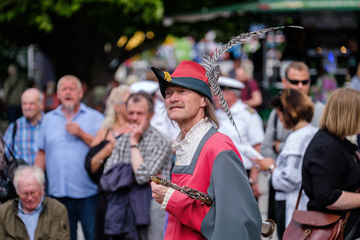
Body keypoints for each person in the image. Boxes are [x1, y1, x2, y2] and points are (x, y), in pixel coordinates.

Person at [150, 60, 262, 240]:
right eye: (169, 93)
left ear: (204, 100)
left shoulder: (218, 147)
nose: (172, 98)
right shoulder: (185, 145)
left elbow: (235, 225)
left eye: (182, 91)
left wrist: (173, 200)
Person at [34, 75, 104, 240]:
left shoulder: (96, 118)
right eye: (63, 89)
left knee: (94, 236)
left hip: (89, 192)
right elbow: (42, 153)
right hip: (58, 193)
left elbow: (105, 148)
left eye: (72, 88)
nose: (68, 92)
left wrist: (82, 134)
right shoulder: (47, 120)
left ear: (80, 93)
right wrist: (36, 182)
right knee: (63, 238)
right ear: (57, 94)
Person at [260, 61, 325, 224]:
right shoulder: (277, 113)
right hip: (282, 194)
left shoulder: (318, 112)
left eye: (305, 82)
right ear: (285, 82)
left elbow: (313, 151)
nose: (301, 86)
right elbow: (266, 148)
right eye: (295, 82)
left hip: (299, 198)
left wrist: (277, 153)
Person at [102, 91, 173, 240]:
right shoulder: (121, 140)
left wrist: (134, 143)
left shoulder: (162, 140)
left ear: (151, 114)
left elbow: (142, 176)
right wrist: (139, 172)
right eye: (131, 113)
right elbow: (109, 175)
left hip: (154, 201)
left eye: (139, 113)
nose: (134, 118)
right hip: (125, 201)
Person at [254, 89, 318, 239]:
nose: (280, 119)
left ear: (289, 112)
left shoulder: (296, 139)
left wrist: (270, 167)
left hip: (293, 208)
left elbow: (288, 179)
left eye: (280, 113)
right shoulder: (313, 132)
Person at [302, 88, 360, 239]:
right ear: (350, 115)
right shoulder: (327, 146)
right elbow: (328, 196)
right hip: (335, 230)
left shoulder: (337, 141)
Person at [88, 85, 132, 240]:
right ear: (116, 107)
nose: (132, 106)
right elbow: (90, 167)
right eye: (128, 102)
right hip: (107, 195)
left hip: (133, 194)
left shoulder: (139, 129)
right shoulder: (104, 132)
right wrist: (106, 151)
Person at [215, 76, 265, 199]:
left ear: (230, 94)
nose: (213, 97)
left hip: (242, 172)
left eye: (217, 93)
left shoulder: (248, 115)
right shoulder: (217, 114)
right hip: (220, 171)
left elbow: (258, 148)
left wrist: (253, 178)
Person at [0, 165, 70, 239]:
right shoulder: (3, 212)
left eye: (33, 192)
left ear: (42, 187)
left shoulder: (57, 210)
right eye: (24, 193)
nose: (29, 198)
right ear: (17, 191)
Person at [3, 88, 44, 165]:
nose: (27, 107)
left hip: (45, 176)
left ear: (41, 105)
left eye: (31, 103)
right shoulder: (15, 126)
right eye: (24, 103)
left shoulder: (50, 124)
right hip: (21, 175)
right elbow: (3, 155)